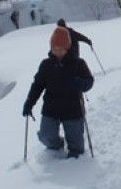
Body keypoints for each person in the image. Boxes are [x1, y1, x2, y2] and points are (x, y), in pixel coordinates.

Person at [22, 26, 94, 158]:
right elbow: (37, 86)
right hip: (52, 107)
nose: (57, 52)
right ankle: (57, 144)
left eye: (61, 49)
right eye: (54, 49)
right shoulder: (46, 65)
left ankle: (75, 154)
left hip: (73, 108)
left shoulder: (78, 63)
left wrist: (81, 83)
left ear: (67, 48)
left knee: (77, 150)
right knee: (46, 136)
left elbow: (89, 81)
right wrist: (29, 103)